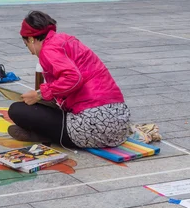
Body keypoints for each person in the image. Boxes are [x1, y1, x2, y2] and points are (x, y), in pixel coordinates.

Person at [8, 11, 130, 148]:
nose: (30, 51)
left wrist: (39, 94)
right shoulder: (67, 40)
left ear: (31, 39)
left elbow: (73, 78)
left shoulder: (48, 49)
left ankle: (45, 134)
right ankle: (45, 133)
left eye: (27, 45)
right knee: (45, 108)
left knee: (17, 110)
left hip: (93, 127)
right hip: (119, 124)